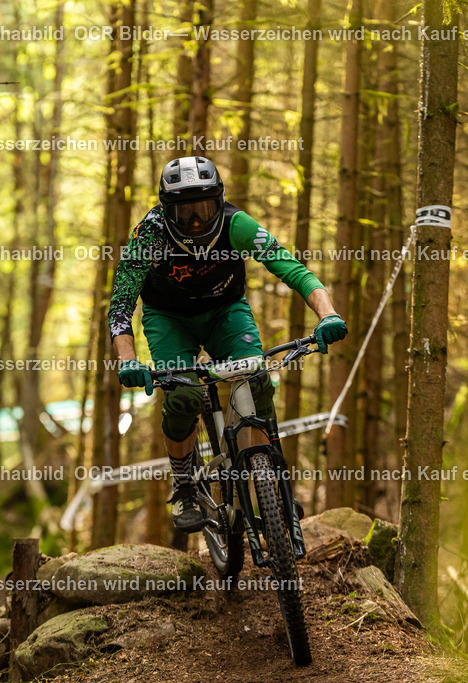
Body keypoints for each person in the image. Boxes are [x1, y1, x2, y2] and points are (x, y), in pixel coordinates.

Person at [108, 156, 347, 531]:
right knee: (183, 396)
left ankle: (272, 480)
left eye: (204, 208)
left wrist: (328, 314)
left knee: (256, 379)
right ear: (167, 211)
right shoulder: (148, 235)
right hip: (169, 319)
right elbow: (121, 306)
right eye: (185, 213)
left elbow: (293, 270)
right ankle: (185, 485)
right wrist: (127, 360)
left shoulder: (238, 225)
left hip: (225, 311)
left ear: (220, 201)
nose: (197, 221)